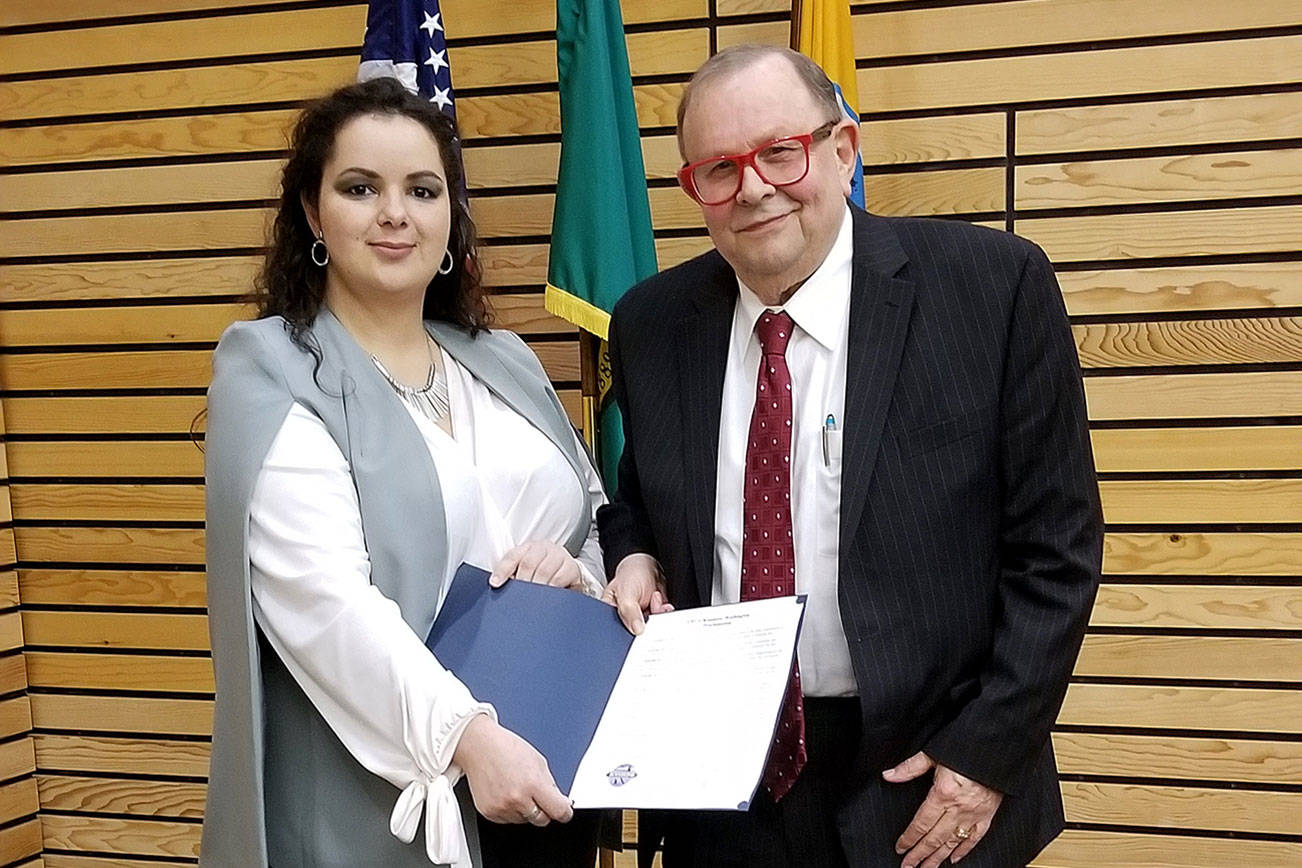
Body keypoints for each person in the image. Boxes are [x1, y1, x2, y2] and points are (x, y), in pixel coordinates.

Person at [597, 45, 1102, 868]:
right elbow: (638, 499)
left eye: (779, 152)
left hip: (926, 777)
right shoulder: (653, 323)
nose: (754, 187)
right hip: (722, 786)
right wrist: (636, 553)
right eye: (718, 169)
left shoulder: (991, 289)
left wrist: (984, 757)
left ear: (842, 149)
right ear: (694, 190)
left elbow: (1059, 551)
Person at [203, 77, 606, 868]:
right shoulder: (270, 369)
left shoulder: (503, 361)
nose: (395, 213)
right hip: (399, 801)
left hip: (553, 780)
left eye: (423, 190)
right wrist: (470, 738)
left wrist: (575, 573)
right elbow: (327, 606)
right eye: (361, 188)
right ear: (314, 215)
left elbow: (589, 519)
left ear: (451, 218)